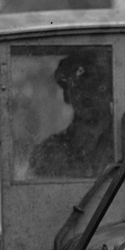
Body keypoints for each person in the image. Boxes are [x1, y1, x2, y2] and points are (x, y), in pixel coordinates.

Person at [27, 48, 113, 177]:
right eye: (78, 86)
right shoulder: (48, 153)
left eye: (96, 85)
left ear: (112, 92)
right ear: (67, 94)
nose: (87, 95)